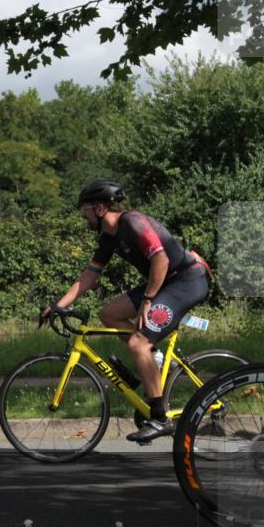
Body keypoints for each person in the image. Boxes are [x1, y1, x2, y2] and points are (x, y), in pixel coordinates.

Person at [41, 180, 211, 443]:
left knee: (137, 342)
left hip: (187, 279)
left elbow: (161, 259)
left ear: (99, 209)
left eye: (85, 210)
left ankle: (160, 418)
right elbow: (89, 276)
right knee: (108, 314)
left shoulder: (133, 222)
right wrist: (57, 306)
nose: (83, 216)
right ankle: (151, 362)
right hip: (165, 280)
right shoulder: (108, 237)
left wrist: (147, 300)